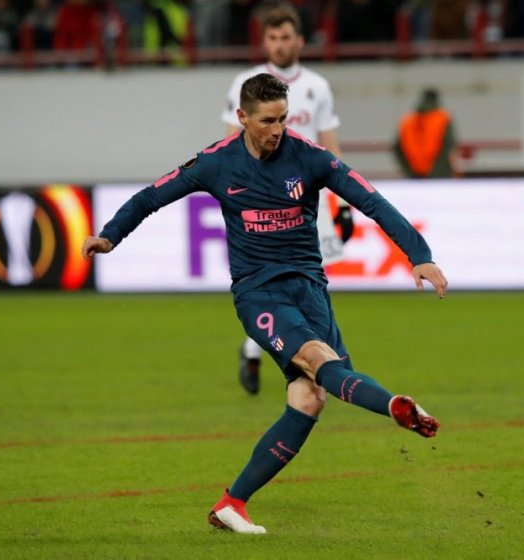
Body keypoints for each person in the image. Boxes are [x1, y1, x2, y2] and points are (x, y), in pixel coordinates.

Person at [82, 73, 447, 534]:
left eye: (283, 119)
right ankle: (394, 405)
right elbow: (151, 196)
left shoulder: (311, 158)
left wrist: (419, 255)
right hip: (258, 292)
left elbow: (372, 202)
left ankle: (231, 503)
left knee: (310, 398)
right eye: (267, 121)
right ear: (242, 117)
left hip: (310, 290)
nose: (277, 130)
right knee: (318, 362)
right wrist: (110, 235)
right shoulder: (216, 162)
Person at [222, 4, 354, 395]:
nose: (279, 45)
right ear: (265, 41)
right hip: (263, 200)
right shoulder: (245, 83)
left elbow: (329, 146)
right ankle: (296, 355)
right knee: (273, 280)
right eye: (273, 38)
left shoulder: (317, 86)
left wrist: (344, 204)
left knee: (310, 279)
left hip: (308, 201)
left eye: (286, 37)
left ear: (299, 40)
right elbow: (231, 143)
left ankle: (281, 352)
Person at [394, 87, 460, 179]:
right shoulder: (443, 118)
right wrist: (438, 170)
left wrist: (408, 170)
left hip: (415, 175)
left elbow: (397, 147)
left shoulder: (407, 120)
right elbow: (449, 144)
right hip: (439, 175)